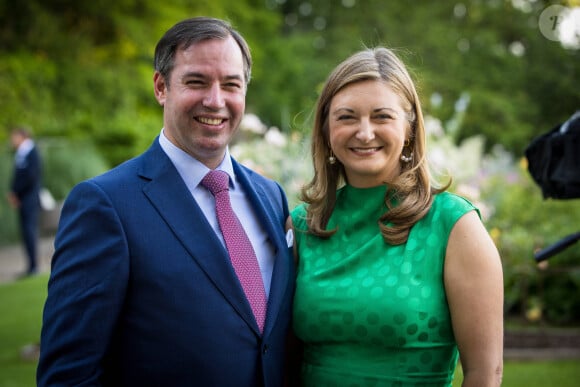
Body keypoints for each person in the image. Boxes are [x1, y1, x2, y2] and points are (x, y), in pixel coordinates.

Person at [37, 17, 295, 387]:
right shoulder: (105, 204)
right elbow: (68, 374)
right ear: (161, 87)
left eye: (231, 85)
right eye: (196, 81)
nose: (215, 100)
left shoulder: (271, 196)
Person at [290, 47, 504, 386]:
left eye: (381, 116)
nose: (364, 132)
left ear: (408, 128)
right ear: (326, 130)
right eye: (346, 117)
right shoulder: (303, 225)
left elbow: (485, 373)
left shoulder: (454, 225)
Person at [8, 127, 42, 277]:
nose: (12, 140)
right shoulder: (22, 153)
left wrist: (17, 193)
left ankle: (34, 266)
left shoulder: (31, 152)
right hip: (24, 199)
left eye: (13, 137)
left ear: (21, 136)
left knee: (30, 231)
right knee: (26, 232)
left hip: (29, 199)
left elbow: (30, 177)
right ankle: (31, 265)